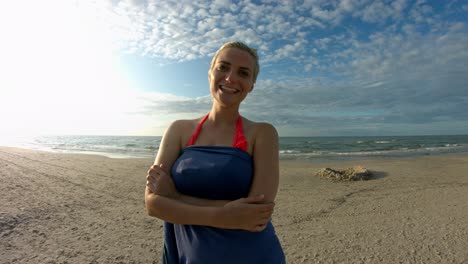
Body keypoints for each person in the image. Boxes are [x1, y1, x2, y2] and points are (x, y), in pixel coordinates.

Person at [145, 41, 285, 263]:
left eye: (243, 73)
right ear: (210, 73)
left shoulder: (262, 133)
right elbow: (152, 204)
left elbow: (257, 214)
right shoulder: (179, 130)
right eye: (223, 67)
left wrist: (175, 197)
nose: (230, 78)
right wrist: (226, 215)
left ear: (251, 85)